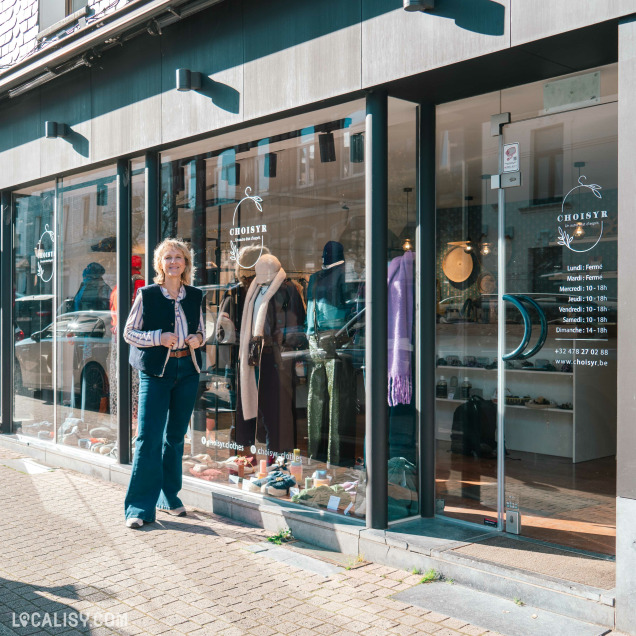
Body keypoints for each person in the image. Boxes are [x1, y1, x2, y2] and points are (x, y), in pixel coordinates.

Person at [122, 238, 205, 529]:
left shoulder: (195, 295)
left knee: (175, 437)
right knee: (148, 437)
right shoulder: (147, 295)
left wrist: (197, 339)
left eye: (179, 257)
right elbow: (129, 333)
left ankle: (168, 496)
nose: (173, 262)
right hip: (157, 372)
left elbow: (201, 331)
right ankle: (139, 508)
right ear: (160, 264)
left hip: (187, 370)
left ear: (185, 263)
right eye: (168, 257)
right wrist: (158, 337)